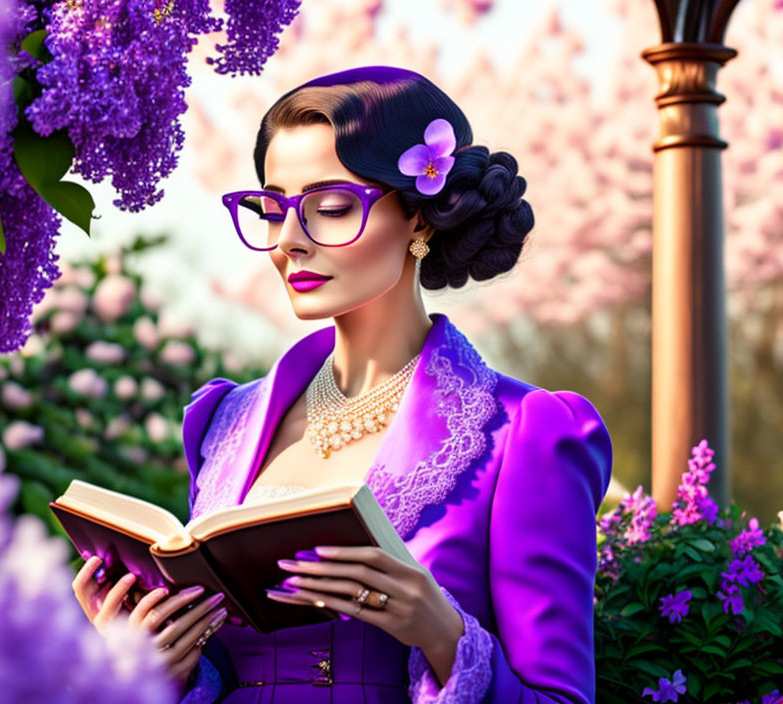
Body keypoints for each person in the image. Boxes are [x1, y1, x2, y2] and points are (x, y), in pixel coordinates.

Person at [72, 65, 613, 703]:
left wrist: (443, 635)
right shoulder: (223, 422)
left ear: (420, 220)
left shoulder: (527, 432)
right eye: (273, 211)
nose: (289, 243)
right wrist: (153, 666)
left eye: (330, 209)